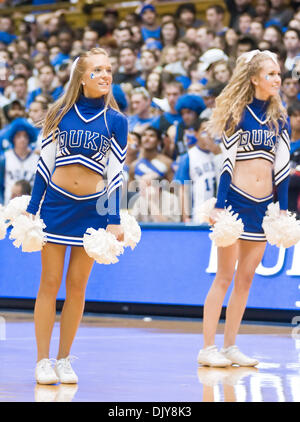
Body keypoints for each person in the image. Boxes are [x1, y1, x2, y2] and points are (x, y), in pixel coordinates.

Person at [25, 48, 128, 385]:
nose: (105, 75)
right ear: (82, 76)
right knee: (49, 283)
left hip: (92, 211)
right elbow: (44, 166)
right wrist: (32, 210)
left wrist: (113, 217)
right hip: (56, 206)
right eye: (97, 69)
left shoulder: (116, 121)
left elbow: (116, 174)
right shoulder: (59, 113)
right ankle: (42, 360)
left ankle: (64, 358)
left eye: (108, 69)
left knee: (77, 287)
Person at [197, 50, 290, 367]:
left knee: (246, 279)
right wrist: (220, 206)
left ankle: (231, 345)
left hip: (263, 208)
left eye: (278, 74)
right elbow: (226, 164)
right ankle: (208, 347)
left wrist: (282, 209)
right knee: (224, 276)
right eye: (270, 74)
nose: (277, 79)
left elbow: (283, 168)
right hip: (235, 203)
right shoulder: (238, 112)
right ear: (253, 79)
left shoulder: (280, 118)